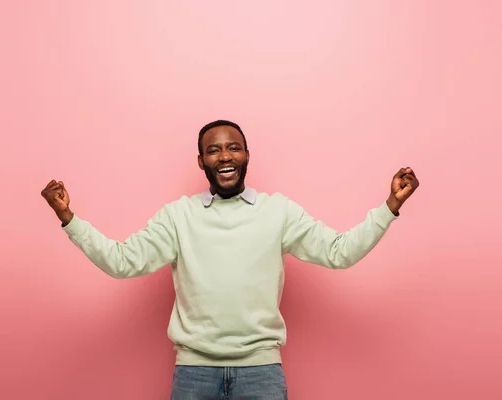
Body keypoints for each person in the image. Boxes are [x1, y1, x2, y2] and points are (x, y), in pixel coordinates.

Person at [41, 120, 419, 399]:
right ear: (201, 160)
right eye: (214, 149)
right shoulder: (179, 216)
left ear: (247, 155)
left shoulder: (278, 212)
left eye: (233, 147)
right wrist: (68, 218)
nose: (225, 156)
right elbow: (122, 261)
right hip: (194, 375)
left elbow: (340, 252)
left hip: (261, 373)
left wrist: (390, 206)